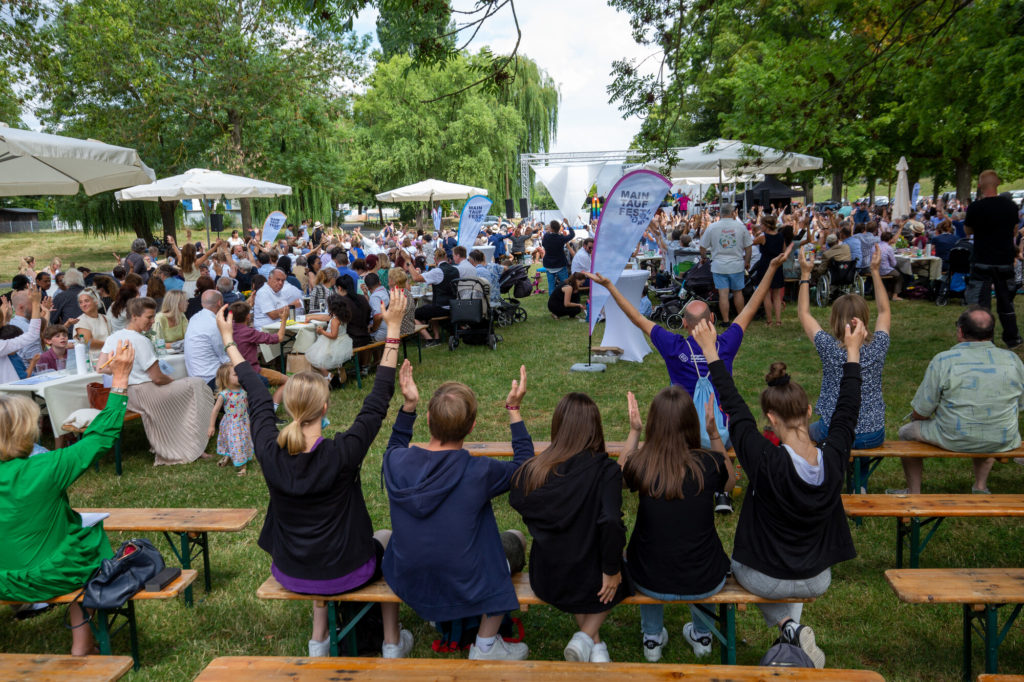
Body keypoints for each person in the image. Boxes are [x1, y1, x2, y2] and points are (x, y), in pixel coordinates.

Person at [213, 292, 413, 658]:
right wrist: (394, 330)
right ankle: (391, 642)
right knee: (386, 537)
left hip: (291, 569)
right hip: (348, 568)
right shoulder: (341, 452)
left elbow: (256, 391)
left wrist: (229, 340)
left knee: (331, 558)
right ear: (325, 407)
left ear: (289, 406)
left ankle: (318, 639)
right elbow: (378, 399)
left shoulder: (269, 450)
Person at [690, 315, 866, 669]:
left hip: (765, 579)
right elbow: (848, 409)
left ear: (770, 418)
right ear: (809, 411)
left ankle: (788, 626)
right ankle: (794, 633)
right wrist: (853, 352)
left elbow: (735, 407)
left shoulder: (764, 461)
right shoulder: (834, 457)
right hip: (817, 578)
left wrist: (711, 351)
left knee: (735, 565)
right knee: (779, 572)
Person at [382, 367, 531, 661]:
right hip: (467, 579)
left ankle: (394, 641)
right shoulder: (480, 471)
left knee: (387, 541)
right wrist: (514, 410)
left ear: (427, 419)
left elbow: (395, 445)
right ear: (472, 426)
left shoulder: (396, 462)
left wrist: (408, 405)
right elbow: (525, 469)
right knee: (514, 540)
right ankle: (486, 644)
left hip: (410, 575)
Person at [0, 340, 134, 655]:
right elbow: (101, 438)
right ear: (25, 432)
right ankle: (81, 647)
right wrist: (120, 381)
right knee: (90, 544)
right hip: (49, 577)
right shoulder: (46, 467)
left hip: (3, 577)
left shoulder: (44, 467)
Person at [583, 246, 792, 446]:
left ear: (684, 324)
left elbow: (637, 318)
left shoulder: (673, 346)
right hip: (722, 434)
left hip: (682, 433)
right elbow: (751, 305)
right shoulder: (726, 344)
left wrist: (610, 286)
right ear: (712, 318)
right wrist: (772, 268)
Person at [509, 391, 632, 663]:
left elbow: (516, 496)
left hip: (548, 577)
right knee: (625, 569)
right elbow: (611, 521)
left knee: (582, 567)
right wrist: (611, 570)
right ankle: (587, 636)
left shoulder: (538, 469)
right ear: (595, 428)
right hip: (590, 580)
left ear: (558, 427)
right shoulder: (605, 471)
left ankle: (595, 647)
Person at [619, 388, 737, 661]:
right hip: (704, 578)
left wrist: (634, 432)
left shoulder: (641, 464)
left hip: (647, 578)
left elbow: (618, 477)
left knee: (642, 552)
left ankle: (652, 638)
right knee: (693, 549)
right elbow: (730, 483)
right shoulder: (710, 462)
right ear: (691, 423)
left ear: (654, 424)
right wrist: (715, 434)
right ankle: (702, 635)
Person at [894, 307, 1024, 494]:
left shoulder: (944, 361)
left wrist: (917, 419)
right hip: (1003, 438)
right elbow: (1020, 405)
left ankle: (914, 492)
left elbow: (922, 410)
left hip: (953, 437)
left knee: (906, 432)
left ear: (961, 331)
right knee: (986, 423)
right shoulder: (1013, 360)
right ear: (991, 332)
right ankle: (980, 486)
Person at [97, 297, 215, 465]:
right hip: (146, 393)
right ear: (134, 316)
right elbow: (157, 378)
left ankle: (188, 441)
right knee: (197, 384)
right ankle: (194, 444)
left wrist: (121, 370)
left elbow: (100, 367)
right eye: (149, 317)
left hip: (126, 394)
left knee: (185, 390)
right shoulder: (140, 340)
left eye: (153, 317)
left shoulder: (113, 337)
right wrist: (171, 380)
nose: (152, 321)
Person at [798, 245, 891, 455]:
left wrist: (805, 274)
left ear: (835, 320)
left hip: (834, 430)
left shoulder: (830, 348)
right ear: (865, 317)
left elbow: (804, 314)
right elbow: (885, 311)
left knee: (801, 431)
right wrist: (875, 272)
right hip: (873, 432)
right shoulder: (879, 345)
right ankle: (862, 485)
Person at [965, 170, 1022, 348]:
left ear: (980, 185)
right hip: (1004, 260)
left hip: (982, 259)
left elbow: (968, 232)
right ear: (997, 183)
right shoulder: (1011, 206)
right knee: (1006, 303)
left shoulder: (975, 207)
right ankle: (1012, 338)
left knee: (981, 304)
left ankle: (983, 338)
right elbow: (1014, 231)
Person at [228, 301, 288, 410]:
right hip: (252, 370)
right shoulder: (249, 332)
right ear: (248, 316)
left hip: (232, 370)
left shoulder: (228, 329)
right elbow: (278, 338)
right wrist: (284, 320)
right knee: (287, 381)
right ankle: (272, 409)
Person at [699, 203, 752, 325]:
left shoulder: (712, 227)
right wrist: (747, 262)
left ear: (720, 213)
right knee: (738, 292)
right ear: (733, 213)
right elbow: (748, 247)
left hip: (719, 266)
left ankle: (726, 320)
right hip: (737, 264)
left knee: (723, 294)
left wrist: (704, 258)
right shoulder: (740, 227)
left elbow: (702, 247)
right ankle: (741, 320)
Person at [208, 362, 254, 476]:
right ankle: (240, 465)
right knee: (235, 443)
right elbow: (215, 410)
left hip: (243, 422)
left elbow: (247, 405)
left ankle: (235, 459)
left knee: (241, 442)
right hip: (231, 424)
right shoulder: (224, 394)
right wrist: (211, 426)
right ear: (225, 378)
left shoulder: (243, 391)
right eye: (236, 374)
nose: (240, 376)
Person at [407, 249, 458, 346]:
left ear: (435, 259)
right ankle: (436, 336)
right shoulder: (455, 269)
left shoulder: (438, 271)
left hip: (441, 307)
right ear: (447, 258)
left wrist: (408, 262)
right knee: (430, 307)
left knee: (412, 313)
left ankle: (429, 339)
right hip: (453, 306)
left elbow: (416, 278)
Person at [184, 290, 230, 390]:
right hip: (212, 378)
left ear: (202, 303)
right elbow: (224, 356)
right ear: (219, 303)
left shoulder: (194, 318)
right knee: (259, 380)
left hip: (195, 376)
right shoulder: (214, 323)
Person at [305, 294, 354, 384]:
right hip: (343, 341)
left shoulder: (335, 320)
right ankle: (339, 368)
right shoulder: (342, 316)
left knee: (316, 359)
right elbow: (324, 317)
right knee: (320, 358)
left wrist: (321, 331)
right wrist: (311, 317)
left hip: (332, 342)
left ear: (332, 307)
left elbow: (333, 335)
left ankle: (328, 376)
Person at [0, 290, 46, 383]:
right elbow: (32, 335)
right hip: (12, 391)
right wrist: (36, 303)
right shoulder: (2, 346)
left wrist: (6, 318)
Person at [752, 215, 785, 326]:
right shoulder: (780, 236)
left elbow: (753, 242)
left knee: (766, 294)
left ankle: (769, 320)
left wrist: (756, 233)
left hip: (765, 264)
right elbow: (783, 251)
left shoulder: (763, 237)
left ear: (766, 225)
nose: (760, 226)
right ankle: (778, 321)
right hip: (777, 264)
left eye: (761, 224)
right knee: (776, 295)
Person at [541, 221, 574, 293]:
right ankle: (566, 299)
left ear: (552, 229)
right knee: (565, 284)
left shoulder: (546, 237)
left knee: (551, 285)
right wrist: (568, 224)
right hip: (560, 264)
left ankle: (552, 302)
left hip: (549, 264)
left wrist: (552, 232)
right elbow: (572, 235)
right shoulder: (561, 238)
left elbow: (543, 244)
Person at [366, 273, 390, 343]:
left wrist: (373, 328)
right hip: (392, 329)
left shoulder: (375, 297)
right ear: (379, 282)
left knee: (361, 339)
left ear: (368, 287)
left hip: (382, 333)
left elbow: (378, 316)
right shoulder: (386, 291)